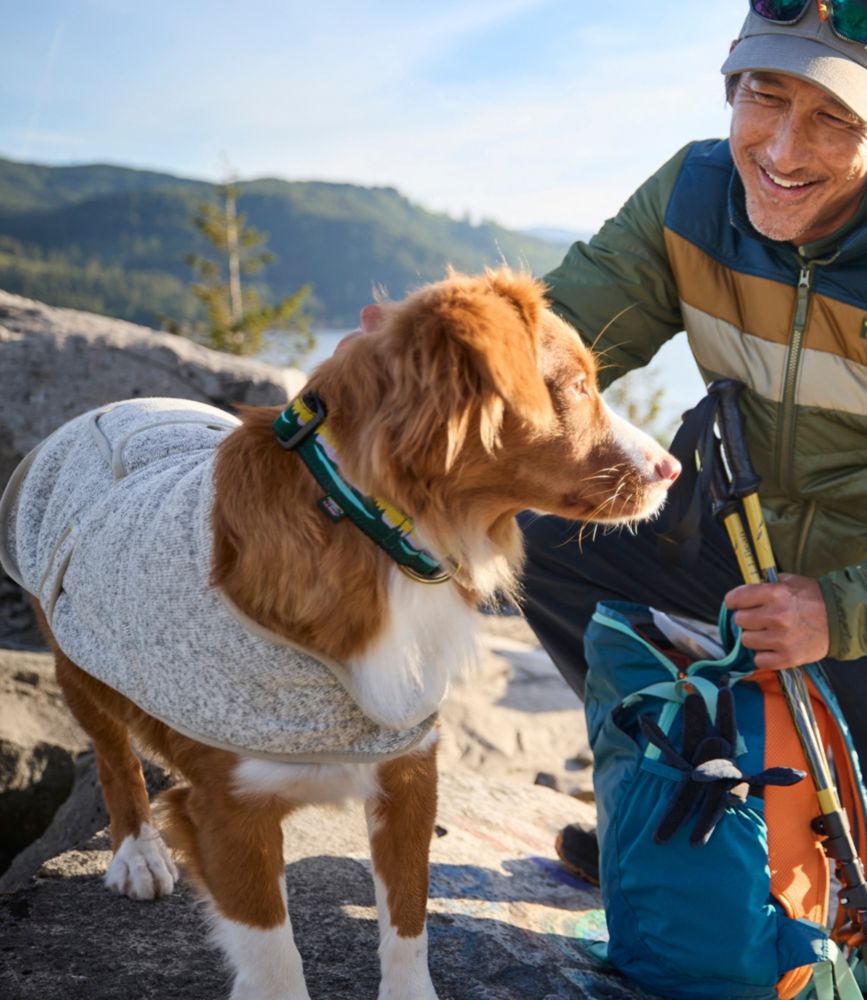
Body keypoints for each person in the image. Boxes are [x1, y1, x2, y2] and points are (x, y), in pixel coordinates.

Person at [520, 0, 867, 886]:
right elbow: (556, 340)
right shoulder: (693, 195)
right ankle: (672, 796)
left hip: (854, 592)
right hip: (728, 547)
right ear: (728, 77)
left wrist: (840, 609)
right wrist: (439, 354)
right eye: (765, 95)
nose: (785, 151)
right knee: (540, 537)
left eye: (835, 117)